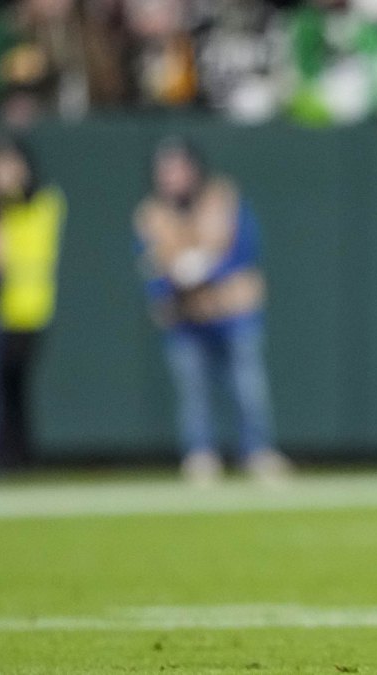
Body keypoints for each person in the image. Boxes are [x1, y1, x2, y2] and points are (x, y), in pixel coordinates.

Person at [134, 137, 291, 486]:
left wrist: (206, 270)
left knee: (248, 386)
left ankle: (258, 451)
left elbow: (245, 249)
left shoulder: (223, 197)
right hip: (185, 316)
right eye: (164, 171)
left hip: (233, 308)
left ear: (194, 169)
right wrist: (174, 280)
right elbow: (149, 265)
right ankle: (201, 454)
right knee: (193, 391)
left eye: (177, 169)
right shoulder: (151, 213)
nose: (171, 178)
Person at [0, 140, 63, 471]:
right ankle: (1, 455)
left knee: (14, 387)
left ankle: (17, 456)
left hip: (28, 309)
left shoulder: (43, 202)